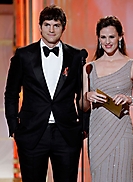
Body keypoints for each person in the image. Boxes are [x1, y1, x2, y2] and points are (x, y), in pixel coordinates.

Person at [4, 5, 87, 182]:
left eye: (56, 25)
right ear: (40, 26)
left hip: (66, 133)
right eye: (47, 24)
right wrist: (14, 126)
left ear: (63, 27)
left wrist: (83, 125)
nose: (51, 29)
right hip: (32, 132)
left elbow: (82, 94)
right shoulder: (23, 55)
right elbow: (11, 93)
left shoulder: (75, 56)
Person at [80, 15, 133, 182]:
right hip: (97, 134)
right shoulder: (89, 67)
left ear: (120, 37)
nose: (107, 41)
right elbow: (83, 107)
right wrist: (87, 96)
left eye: (111, 36)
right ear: (98, 39)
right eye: (103, 37)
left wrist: (129, 99)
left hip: (122, 132)